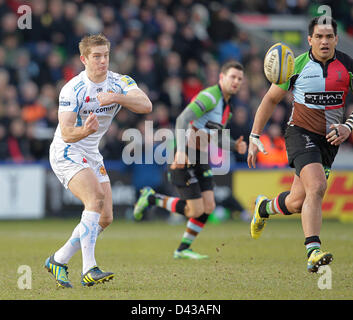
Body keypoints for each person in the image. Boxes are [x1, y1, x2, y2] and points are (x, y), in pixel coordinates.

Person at [45, 34, 152, 288]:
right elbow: (68, 132)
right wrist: (86, 131)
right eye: (96, 56)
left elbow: (145, 105)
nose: (102, 61)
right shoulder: (73, 89)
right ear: (84, 59)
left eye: (105, 55)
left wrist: (117, 98)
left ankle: (58, 260)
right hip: (67, 150)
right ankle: (89, 268)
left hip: (92, 152)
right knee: (94, 199)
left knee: (105, 218)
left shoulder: (119, 82)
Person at [247, 17, 353, 273]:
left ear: (337, 39)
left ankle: (264, 207)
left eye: (329, 36)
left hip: (329, 141)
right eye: (319, 36)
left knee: (296, 202)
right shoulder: (296, 65)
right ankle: (313, 251)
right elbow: (270, 100)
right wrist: (254, 136)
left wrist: (347, 126)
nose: (324, 41)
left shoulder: (348, 67)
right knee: (317, 186)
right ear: (310, 40)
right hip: (300, 133)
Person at [133, 60, 247, 259]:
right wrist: (180, 151)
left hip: (200, 157)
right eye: (232, 77)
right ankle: (151, 198)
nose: (236, 81)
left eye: (239, 79)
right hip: (185, 153)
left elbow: (217, 137)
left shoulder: (226, 107)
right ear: (222, 77)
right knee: (194, 209)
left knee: (208, 207)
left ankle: (183, 248)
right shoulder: (210, 96)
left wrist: (235, 145)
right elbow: (182, 119)